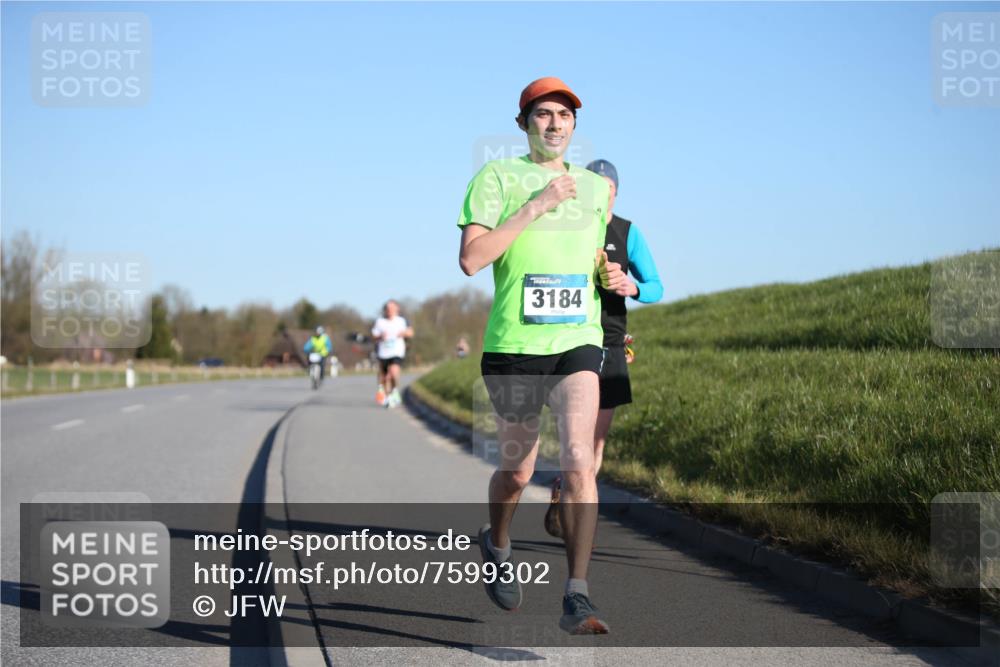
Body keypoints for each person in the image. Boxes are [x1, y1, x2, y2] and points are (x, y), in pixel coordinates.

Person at [458, 76, 627, 635]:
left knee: (580, 462)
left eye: (564, 116)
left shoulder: (595, 189)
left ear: (575, 126)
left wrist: (612, 276)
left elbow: (595, 255)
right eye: (543, 115)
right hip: (513, 346)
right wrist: (536, 205)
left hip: (576, 340)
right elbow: (472, 259)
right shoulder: (496, 177)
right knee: (517, 469)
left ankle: (577, 593)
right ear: (524, 124)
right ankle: (498, 543)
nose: (554, 124)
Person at [544, 159, 664, 539]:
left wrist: (634, 288)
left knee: (595, 440)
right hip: (571, 340)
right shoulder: (569, 225)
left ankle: (570, 493)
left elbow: (656, 285)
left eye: (605, 187)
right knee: (575, 436)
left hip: (610, 342)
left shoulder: (628, 233)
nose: (598, 192)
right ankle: (576, 505)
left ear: (614, 191)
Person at [371, 299, 413, 408]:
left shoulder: (402, 321)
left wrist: (403, 333)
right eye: (387, 309)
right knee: (384, 377)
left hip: (397, 351)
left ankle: (394, 391)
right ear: (385, 310)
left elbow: (410, 332)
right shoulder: (380, 321)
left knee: (394, 372)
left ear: (397, 309)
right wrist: (380, 336)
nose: (389, 310)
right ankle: (385, 394)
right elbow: (373, 335)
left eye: (392, 308)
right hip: (383, 352)